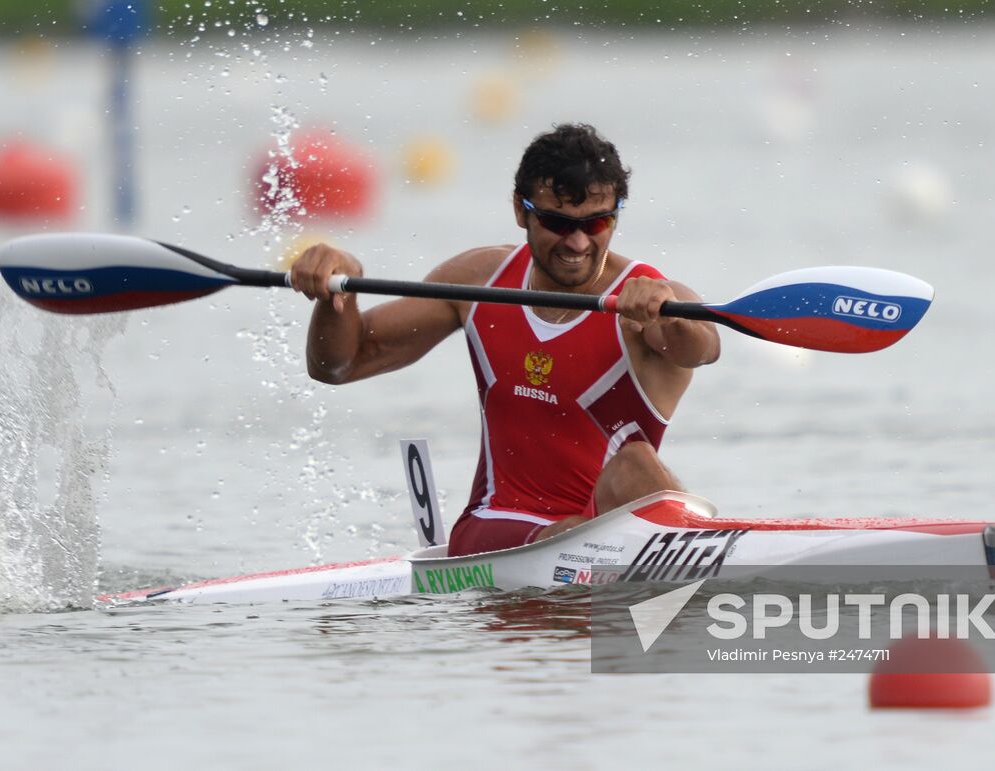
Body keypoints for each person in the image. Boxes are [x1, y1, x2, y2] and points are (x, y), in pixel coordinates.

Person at [290, 123, 719, 555]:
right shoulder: (480, 279)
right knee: (587, 522)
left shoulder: (650, 298)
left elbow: (703, 347)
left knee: (636, 466)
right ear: (520, 210)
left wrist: (670, 318)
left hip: (601, 530)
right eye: (556, 222)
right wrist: (337, 294)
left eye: (597, 223)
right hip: (496, 530)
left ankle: (693, 562)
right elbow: (338, 364)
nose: (577, 242)